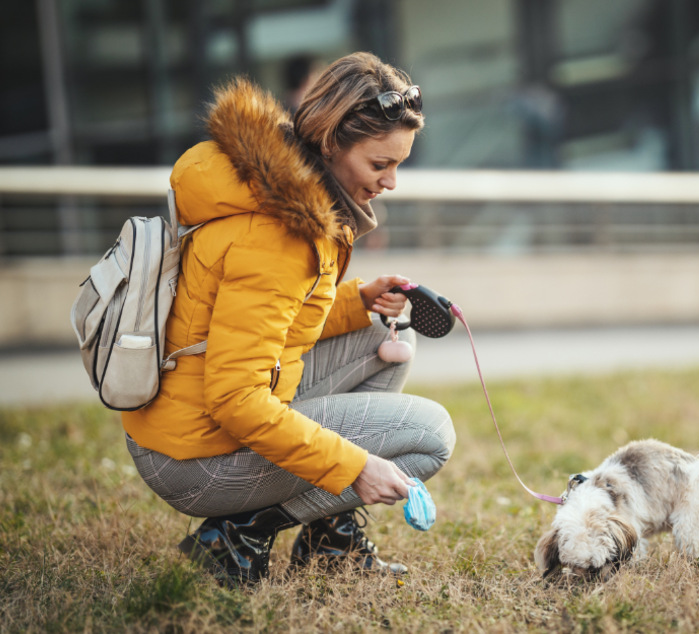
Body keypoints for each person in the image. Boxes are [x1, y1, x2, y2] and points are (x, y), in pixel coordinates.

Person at [121, 52, 455, 586]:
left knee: (377, 337)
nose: (391, 182)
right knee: (430, 435)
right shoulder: (277, 234)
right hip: (195, 459)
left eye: (399, 164)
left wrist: (357, 301)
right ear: (330, 144)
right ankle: (237, 534)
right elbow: (235, 398)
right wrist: (353, 467)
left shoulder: (285, 195)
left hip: (185, 425)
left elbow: (266, 326)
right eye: (379, 165)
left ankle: (330, 542)